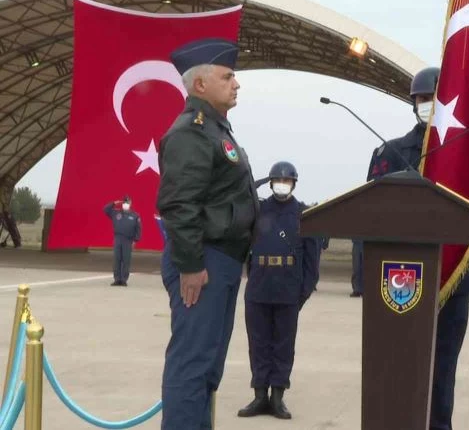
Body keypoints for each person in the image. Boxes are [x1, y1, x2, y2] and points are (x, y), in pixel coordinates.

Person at [364, 66, 469, 430]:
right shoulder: (392, 152)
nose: (427, 104)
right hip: (402, 282)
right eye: (421, 99)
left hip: (453, 283)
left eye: (434, 98)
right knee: (399, 370)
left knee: (442, 372)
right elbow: (370, 211)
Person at [156, 37, 259, 430]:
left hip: (223, 261)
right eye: (227, 76)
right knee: (192, 366)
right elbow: (180, 205)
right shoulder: (192, 132)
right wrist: (190, 265)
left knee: (207, 369)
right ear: (200, 85)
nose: (236, 83)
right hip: (203, 262)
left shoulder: (216, 130)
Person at [237, 161, 320, 420]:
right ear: (271, 183)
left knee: (283, 345)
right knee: (258, 343)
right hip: (259, 287)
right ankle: (259, 395)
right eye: (277, 180)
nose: (282, 184)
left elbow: (311, 261)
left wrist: (302, 294)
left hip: (288, 290)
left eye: (286, 181)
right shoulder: (259, 211)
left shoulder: (303, 215)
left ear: (294, 183)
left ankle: (277, 398)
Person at [103, 195, 141, 286]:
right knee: (117, 259)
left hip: (128, 240)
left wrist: (135, 240)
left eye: (127, 203)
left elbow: (138, 229)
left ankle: (124, 279)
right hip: (118, 238)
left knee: (126, 260)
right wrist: (114, 203)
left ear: (130, 203)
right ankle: (117, 279)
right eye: (124, 202)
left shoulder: (135, 215)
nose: (125, 204)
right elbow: (105, 209)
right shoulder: (116, 213)